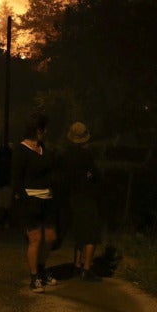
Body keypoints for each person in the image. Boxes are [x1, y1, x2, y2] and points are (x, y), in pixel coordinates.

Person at [11, 112, 59, 293]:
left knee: (50, 238)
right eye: (45, 129)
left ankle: (41, 267)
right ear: (38, 130)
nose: (47, 132)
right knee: (35, 239)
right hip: (31, 201)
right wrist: (24, 200)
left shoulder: (42, 147)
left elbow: (51, 171)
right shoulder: (21, 150)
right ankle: (34, 277)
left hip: (48, 200)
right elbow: (16, 180)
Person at [60, 121, 103, 282]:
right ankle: (87, 268)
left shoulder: (66, 155)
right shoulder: (86, 155)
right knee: (91, 234)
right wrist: (89, 176)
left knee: (79, 232)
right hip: (86, 196)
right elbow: (96, 174)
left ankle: (76, 264)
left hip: (73, 197)